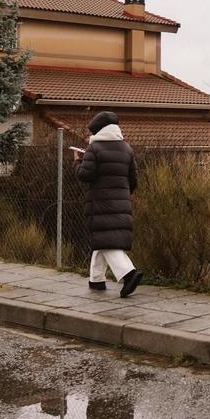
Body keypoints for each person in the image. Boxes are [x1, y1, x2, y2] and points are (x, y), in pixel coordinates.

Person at [73, 111, 143, 297]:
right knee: (102, 239)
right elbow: (133, 178)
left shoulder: (94, 148)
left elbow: (85, 175)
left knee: (107, 242)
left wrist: (77, 162)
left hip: (100, 202)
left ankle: (129, 274)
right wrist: (124, 195)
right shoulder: (126, 148)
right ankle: (96, 280)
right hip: (122, 201)